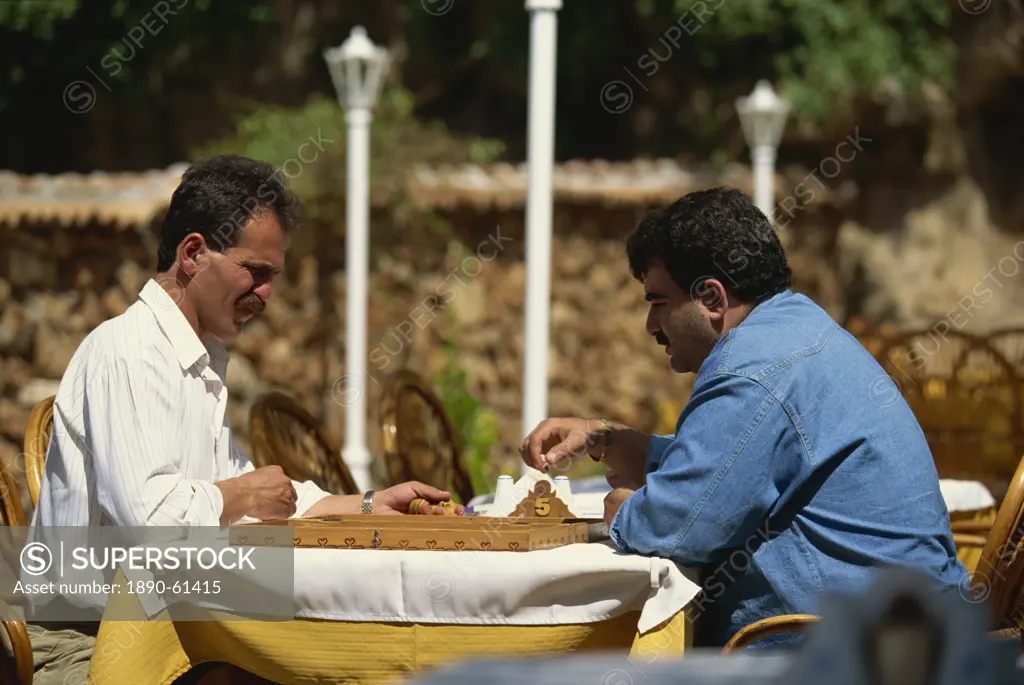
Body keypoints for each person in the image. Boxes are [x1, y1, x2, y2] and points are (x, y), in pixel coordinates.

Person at [25, 155, 458, 684]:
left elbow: (260, 496)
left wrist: (367, 505)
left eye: (272, 276)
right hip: (86, 643)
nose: (267, 293)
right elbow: (152, 526)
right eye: (255, 271)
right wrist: (243, 495)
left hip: (184, 624)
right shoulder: (128, 351)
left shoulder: (197, 360)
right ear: (192, 253)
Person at [519, 187, 966, 649]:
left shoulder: (753, 370)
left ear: (712, 298)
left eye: (659, 302)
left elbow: (676, 528)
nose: (651, 326)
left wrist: (623, 515)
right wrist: (605, 438)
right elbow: (732, 468)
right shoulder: (792, 329)